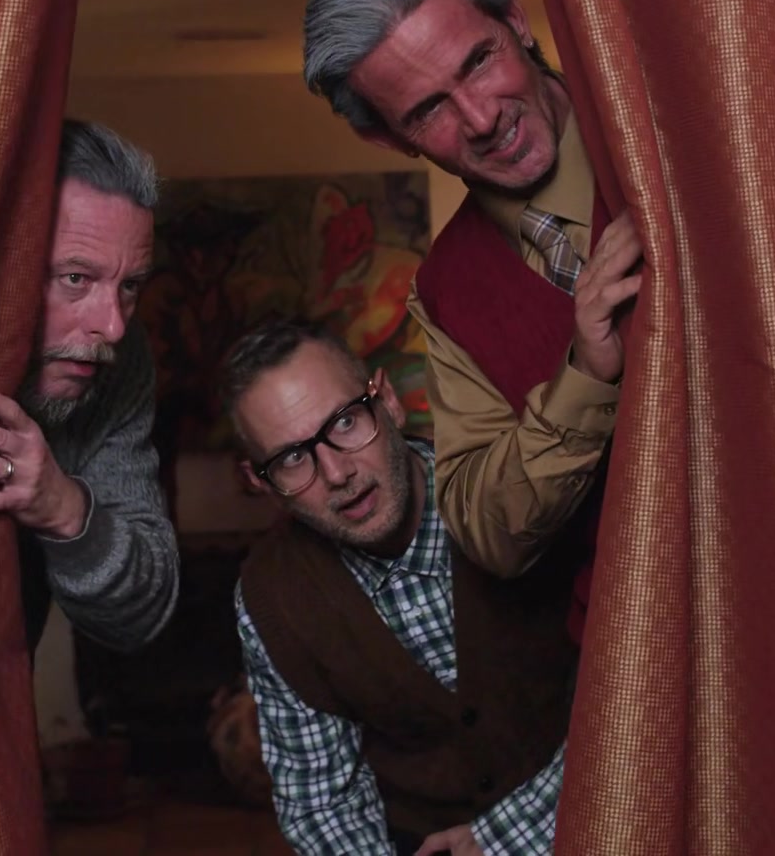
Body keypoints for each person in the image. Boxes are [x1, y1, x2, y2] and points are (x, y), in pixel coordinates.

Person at [302, 0, 642, 633]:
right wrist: (586, 375)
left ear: (516, 20)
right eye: (429, 110)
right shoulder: (445, 291)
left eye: (479, 61)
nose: (483, 119)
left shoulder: (671, 134)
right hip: (642, 638)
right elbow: (487, 533)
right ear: (389, 139)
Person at [228, 321, 574, 856]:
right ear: (261, 483)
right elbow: (321, 800)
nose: (336, 472)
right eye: (292, 458)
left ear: (388, 401)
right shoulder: (273, 597)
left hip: (598, 819)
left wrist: (500, 841)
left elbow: (636, 692)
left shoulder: (516, 493)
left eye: (345, 422)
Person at [0, 119, 178, 653]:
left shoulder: (117, 361)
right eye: (75, 278)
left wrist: (64, 510)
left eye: (130, 286)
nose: (111, 326)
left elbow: (147, 610)